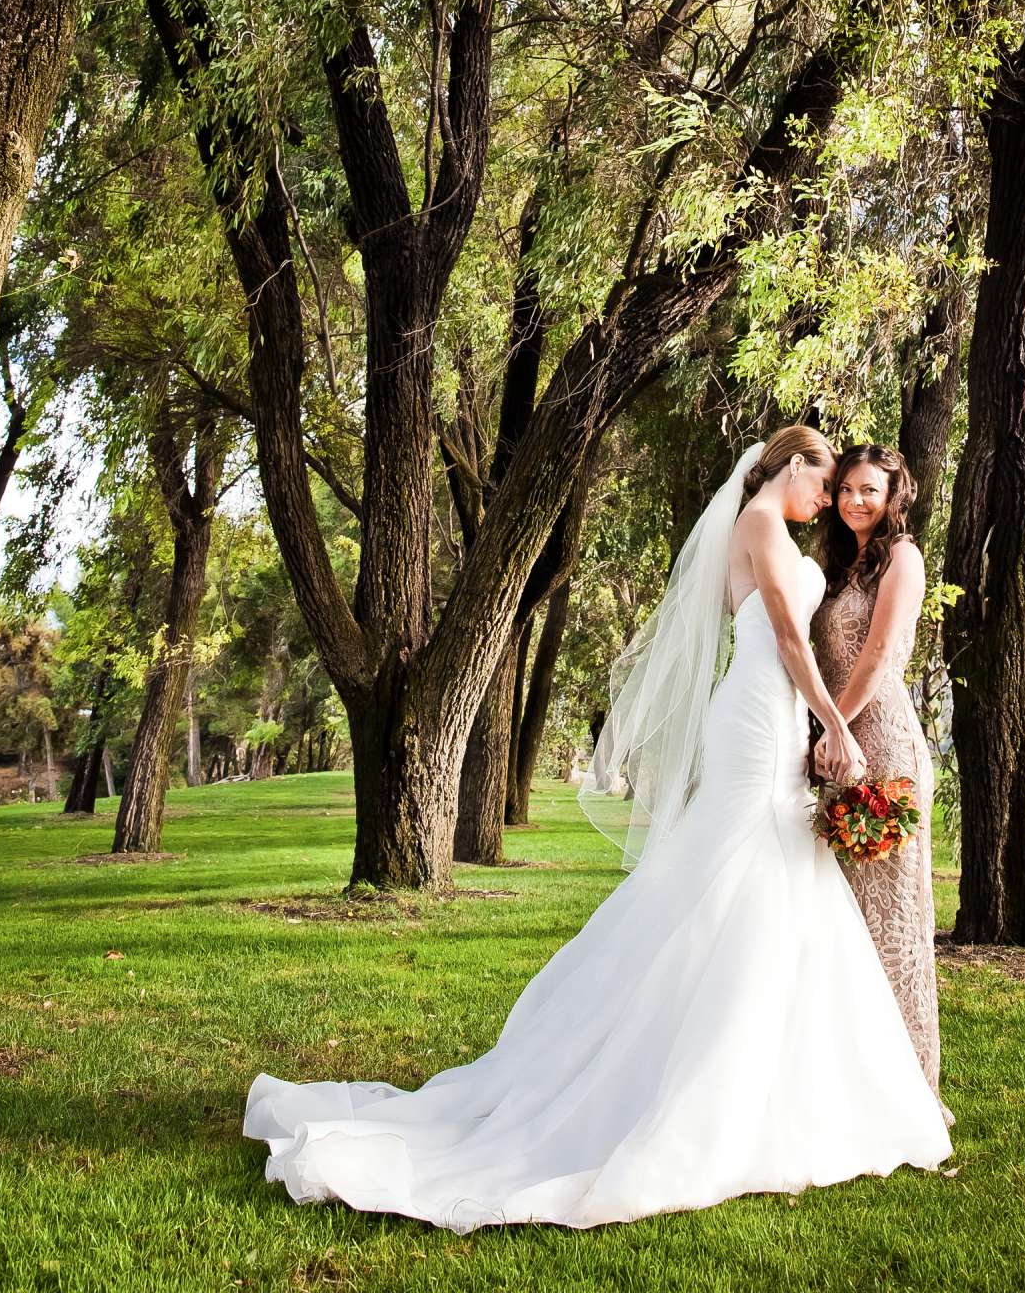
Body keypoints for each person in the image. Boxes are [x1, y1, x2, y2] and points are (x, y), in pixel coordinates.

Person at [243, 424, 952, 1229]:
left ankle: (785, 1077)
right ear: (791, 467)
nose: (829, 500)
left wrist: (823, 722)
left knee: (769, 879)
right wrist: (834, 720)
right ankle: (700, 1079)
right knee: (745, 873)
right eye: (824, 483)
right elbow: (791, 638)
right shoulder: (758, 523)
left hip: (781, 717)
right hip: (765, 714)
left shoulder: (789, 536)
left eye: (848, 491)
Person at [811, 444, 946, 1111]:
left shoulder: (903, 559)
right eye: (846, 490)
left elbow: (882, 652)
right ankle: (845, 1079)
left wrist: (835, 722)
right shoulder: (840, 564)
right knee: (839, 913)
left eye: (870, 490)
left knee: (889, 917)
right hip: (835, 737)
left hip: (881, 740)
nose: (855, 500)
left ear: (895, 495)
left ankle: (907, 1089)